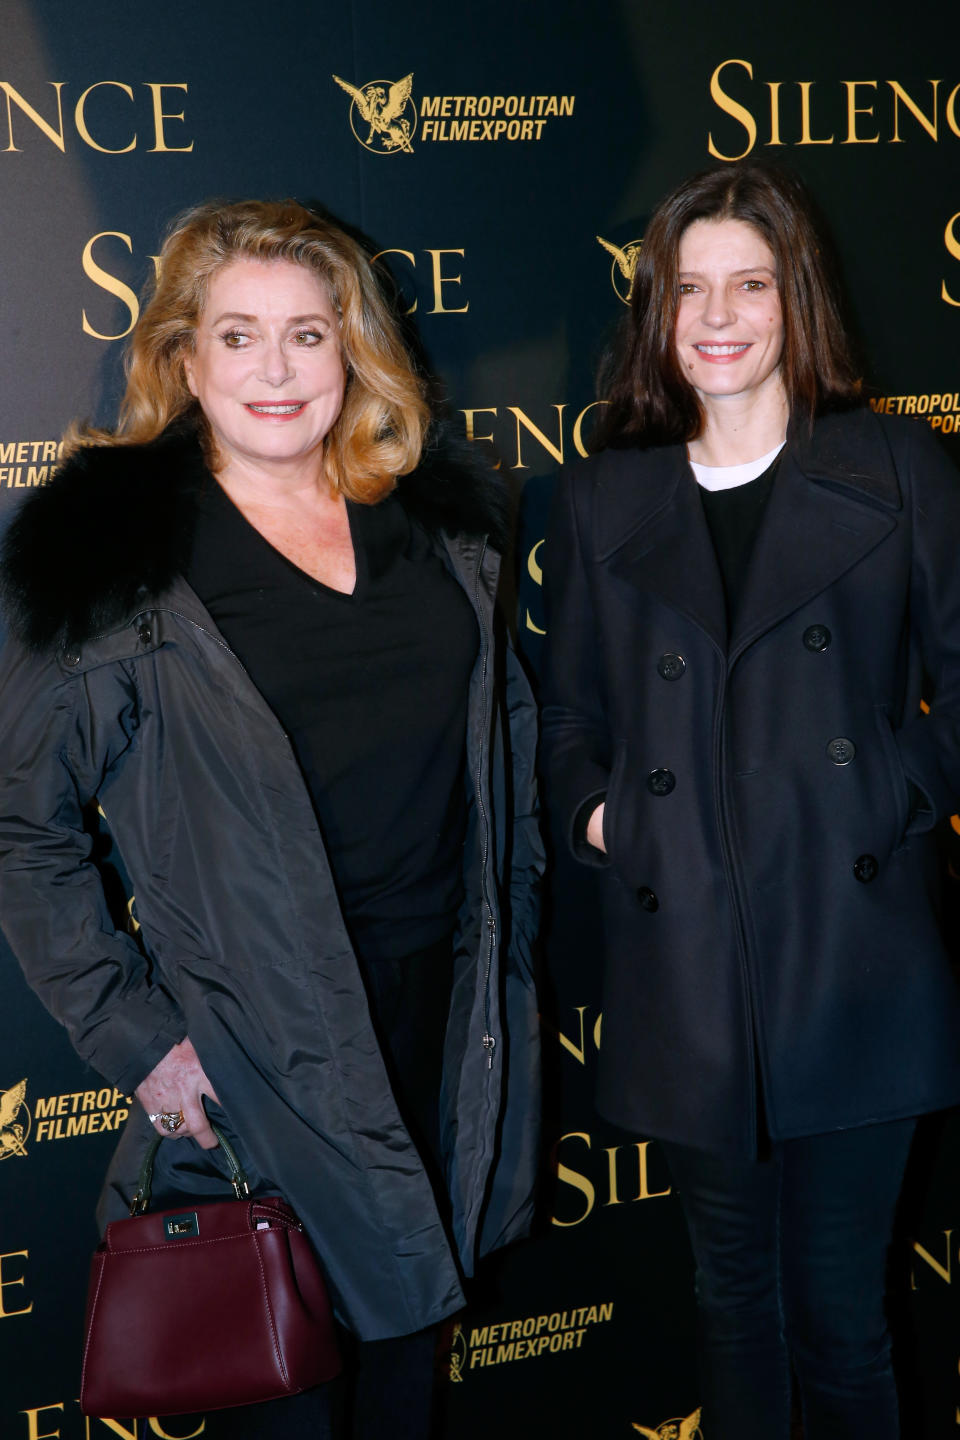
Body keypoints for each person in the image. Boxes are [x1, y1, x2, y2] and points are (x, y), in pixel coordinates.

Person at [0, 199, 541, 1438]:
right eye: (238, 335)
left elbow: (500, 761)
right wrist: (138, 1039)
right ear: (182, 357)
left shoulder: (440, 530)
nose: (275, 370)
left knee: (407, 1397)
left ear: (354, 349)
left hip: (445, 1036)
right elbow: (20, 829)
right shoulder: (110, 553)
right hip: (258, 1062)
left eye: (308, 333)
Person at [539, 161, 960, 1438]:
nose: (719, 317)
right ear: (658, 315)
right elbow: (567, 722)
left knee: (843, 1324)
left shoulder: (896, 469)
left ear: (797, 301)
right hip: (690, 978)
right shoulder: (607, 493)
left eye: (752, 286)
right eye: (690, 290)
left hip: (856, 964)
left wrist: (891, 788)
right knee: (732, 1311)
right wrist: (609, 820)